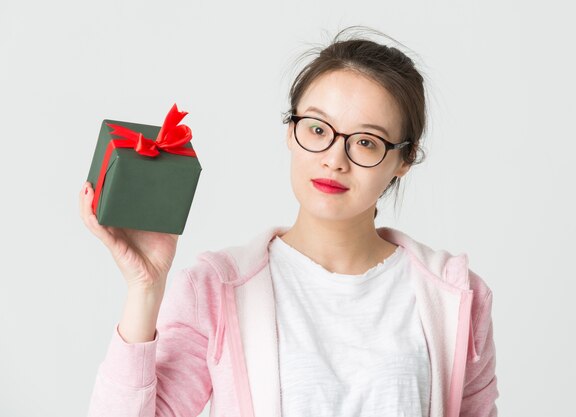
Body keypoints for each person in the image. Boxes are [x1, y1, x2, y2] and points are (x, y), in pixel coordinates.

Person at [79, 26, 498, 417]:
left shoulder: (456, 294)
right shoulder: (217, 288)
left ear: (404, 160)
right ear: (290, 130)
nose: (334, 159)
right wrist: (144, 288)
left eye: (366, 142)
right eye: (317, 130)